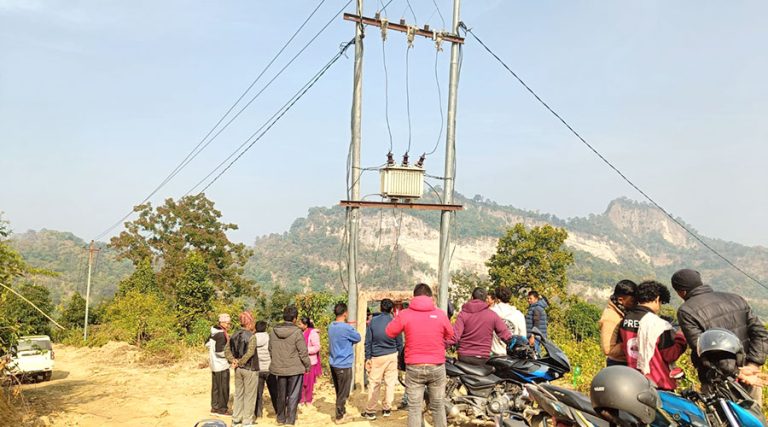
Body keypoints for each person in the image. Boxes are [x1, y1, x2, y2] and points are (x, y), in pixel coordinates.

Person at [672, 268, 768, 405]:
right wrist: (753, 365)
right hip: (750, 375)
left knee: (724, 420)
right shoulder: (736, 299)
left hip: (718, 381)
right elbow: (760, 333)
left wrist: (736, 373)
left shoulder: (687, 311)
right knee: (754, 418)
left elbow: (703, 349)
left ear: (681, 292)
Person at [385, 283, 454, 427]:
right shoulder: (440, 314)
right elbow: (451, 335)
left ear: (413, 297)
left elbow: (389, 332)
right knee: (438, 405)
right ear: (430, 297)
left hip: (414, 367)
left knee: (414, 408)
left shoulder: (405, 314)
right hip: (436, 366)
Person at [619, 280, 687, 391]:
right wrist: (681, 337)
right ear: (657, 299)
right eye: (661, 302)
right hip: (657, 381)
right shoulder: (658, 324)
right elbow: (670, 355)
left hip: (634, 379)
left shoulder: (626, 319)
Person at [447, 287, 512, 365]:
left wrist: (440, 345)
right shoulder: (492, 315)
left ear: (472, 297)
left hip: (464, 357)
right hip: (483, 358)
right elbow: (505, 335)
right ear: (485, 299)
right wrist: (515, 344)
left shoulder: (463, 314)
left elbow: (454, 337)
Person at [269, 306, 311, 425]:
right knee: (293, 395)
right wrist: (307, 366)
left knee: (281, 394)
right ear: (294, 319)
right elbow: (303, 352)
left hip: (279, 368)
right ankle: (290, 420)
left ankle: (280, 418)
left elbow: (270, 349)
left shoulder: (273, 331)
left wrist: (277, 361)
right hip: (295, 369)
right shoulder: (297, 332)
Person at [362, 298, 403, 420]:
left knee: (374, 383)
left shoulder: (373, 322)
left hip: (377, 356)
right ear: (391, 309)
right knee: (390, 383)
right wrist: (400, 358)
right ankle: (386, 409)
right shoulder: (395, 321)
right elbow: (399, 343)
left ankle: (371, 411)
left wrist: (367, 357)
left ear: (380, 308)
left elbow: (368, 341)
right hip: (392, 356)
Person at [225, 311, 262, 427]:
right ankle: (247, 422)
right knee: (250, 395)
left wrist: (233, 361)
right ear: (250, 323)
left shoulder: (233, 335)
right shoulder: (252, 337)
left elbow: (226, 351)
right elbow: (250, 353)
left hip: (238, 370)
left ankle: (236, 419)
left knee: (238, 394)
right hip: (250, 368)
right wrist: (240, 362)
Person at [327, 302, 362, 424]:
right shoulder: (346, 328)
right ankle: (339, 416)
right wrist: (351, 327)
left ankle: (342, 412)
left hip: (334, 362)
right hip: (344, 364)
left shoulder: (331, 326)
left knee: (339, 390)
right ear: (345, 313)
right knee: (343, 393)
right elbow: (358, 337)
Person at [599, 280, 637, 366]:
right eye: (632, 301)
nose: (635, 304)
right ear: (620, 300)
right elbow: (608, 349)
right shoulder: (611, 317)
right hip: (618, 364)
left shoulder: (624, 312)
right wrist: (632, 342)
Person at [488, 286, 527, 357]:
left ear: (497, 299)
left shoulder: (490, 313)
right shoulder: (518, 314)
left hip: (493, 356)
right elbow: (523, 338)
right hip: (512, 357)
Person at [206, 313, 231, 416]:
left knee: (216, 387)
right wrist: (230, 357)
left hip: (214, 364)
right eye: (228, 323)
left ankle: (214, 407)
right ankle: (222, 409)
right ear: (222, 323)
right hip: (221, 365)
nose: (229, 325)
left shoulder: (213, 332)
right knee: (223, 388)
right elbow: (219, 352)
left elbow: (206, 344)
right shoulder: (221, 334)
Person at [298, 316, 322, 406]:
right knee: (301, 381)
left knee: (309, 382)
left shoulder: (313, 334)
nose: (299, 325)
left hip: (310, 361)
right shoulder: (300, 332)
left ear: (305, 325)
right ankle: (301, 399)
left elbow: (317, 347)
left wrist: (305, 350)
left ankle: (308, 400)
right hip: (300, 361)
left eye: (300, 324)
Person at [253, 320, 271, 420]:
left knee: (258, 393)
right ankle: (278, 412)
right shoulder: (269, 337)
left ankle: (258, 414)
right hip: (268, 367)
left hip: (257, 368)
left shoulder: (253, 338)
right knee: (274, 391)